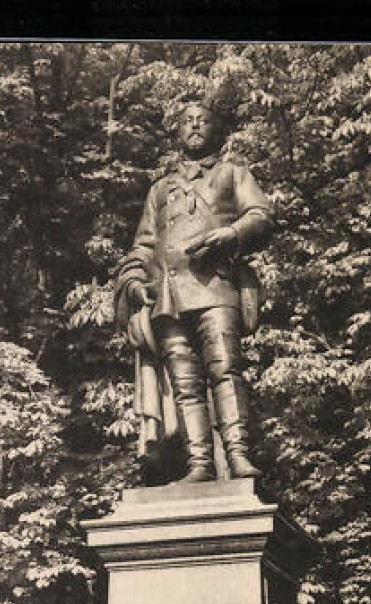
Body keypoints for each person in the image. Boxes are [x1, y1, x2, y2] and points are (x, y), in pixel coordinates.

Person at [116, 100, 273, 483]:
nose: (196, 126)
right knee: (184, 384)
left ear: (215, 131)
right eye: (188, 121)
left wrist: (231, 233)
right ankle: (199, 463)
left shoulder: (233, 173)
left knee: (225, 369)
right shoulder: (159, 190)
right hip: (168, 295)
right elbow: (143, 245)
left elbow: (261, 216)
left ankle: (237, 455)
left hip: (216, 287)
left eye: (204, 120)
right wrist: (134, 281)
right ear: (178, 132)